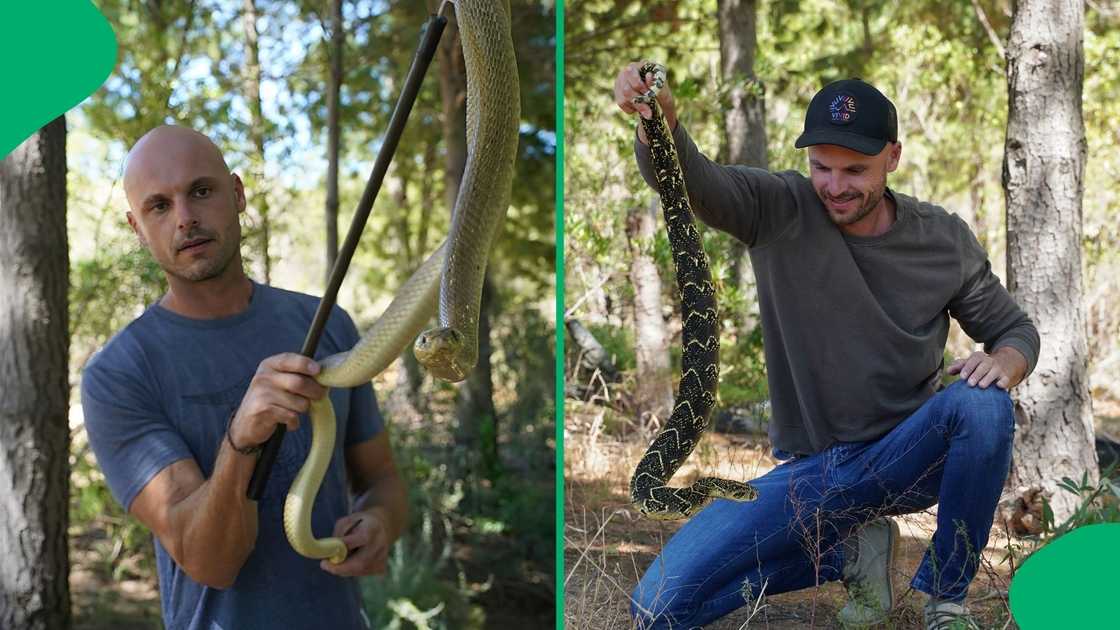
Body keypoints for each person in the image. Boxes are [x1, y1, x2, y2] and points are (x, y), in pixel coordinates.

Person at [614, 64, 1040, 630]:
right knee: (656, 607)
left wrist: (1006, 361)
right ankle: (846, 553)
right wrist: (659, 122)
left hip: (906, 460)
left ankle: (945, 600)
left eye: (855, 170)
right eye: (821, 167)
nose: (835, 186)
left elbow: (1016, 331)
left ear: (893, 157)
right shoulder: (779, 207)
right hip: (811, 475)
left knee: (982, 402)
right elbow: (693, 179)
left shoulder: (943, 239)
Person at [80, 125, 408, 629]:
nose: (186, 218)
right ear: (136, 228)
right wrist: (241, 439)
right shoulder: (119, 374)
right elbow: (209, 561)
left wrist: (381, 521)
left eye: (201, 191)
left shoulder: (325, 324)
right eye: (159, 206)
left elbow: (381, 479)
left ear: (236, 194)